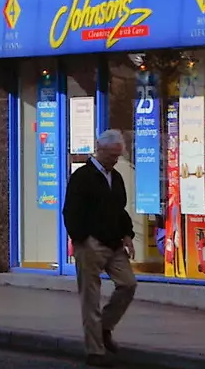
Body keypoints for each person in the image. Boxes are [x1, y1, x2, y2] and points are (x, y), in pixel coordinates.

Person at [62, 129, 137, 368]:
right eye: (112, 155)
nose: (115, 160)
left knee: (128, 284)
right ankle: (95, 350)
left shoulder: (115, 177)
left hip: (114, 243)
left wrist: (127, 235)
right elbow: (71, 211)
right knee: (90, 298)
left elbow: (120, 209)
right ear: (99, 149)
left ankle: (104, 328)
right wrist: (81, 239)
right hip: (91, 243)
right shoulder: (82, 177)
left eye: (118, 156)